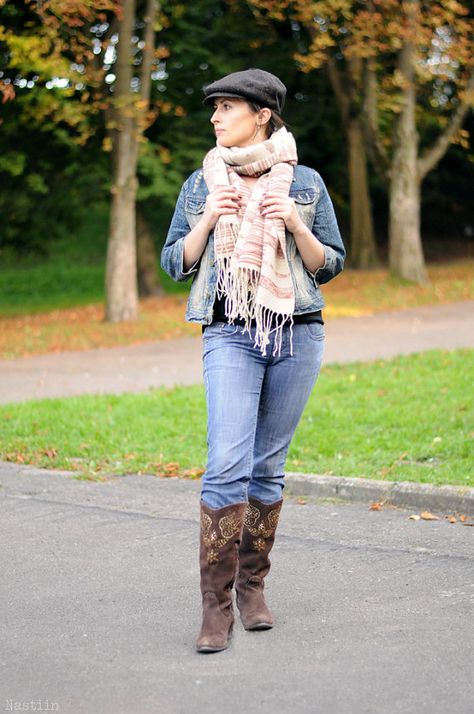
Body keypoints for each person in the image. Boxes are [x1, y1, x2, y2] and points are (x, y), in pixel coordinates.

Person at [161, 68, 345, 654]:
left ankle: (251, 588)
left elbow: (330, 264)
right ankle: (214, 607)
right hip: (231, 332)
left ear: (263, 115)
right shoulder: (202, 181)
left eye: (227, 107)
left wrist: (294, 221)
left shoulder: (307, 181)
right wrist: (209, 218)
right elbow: (175, 262)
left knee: (267, 467)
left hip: (298, 334)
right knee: (226, 464)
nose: (215, 118)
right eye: (214, 109)